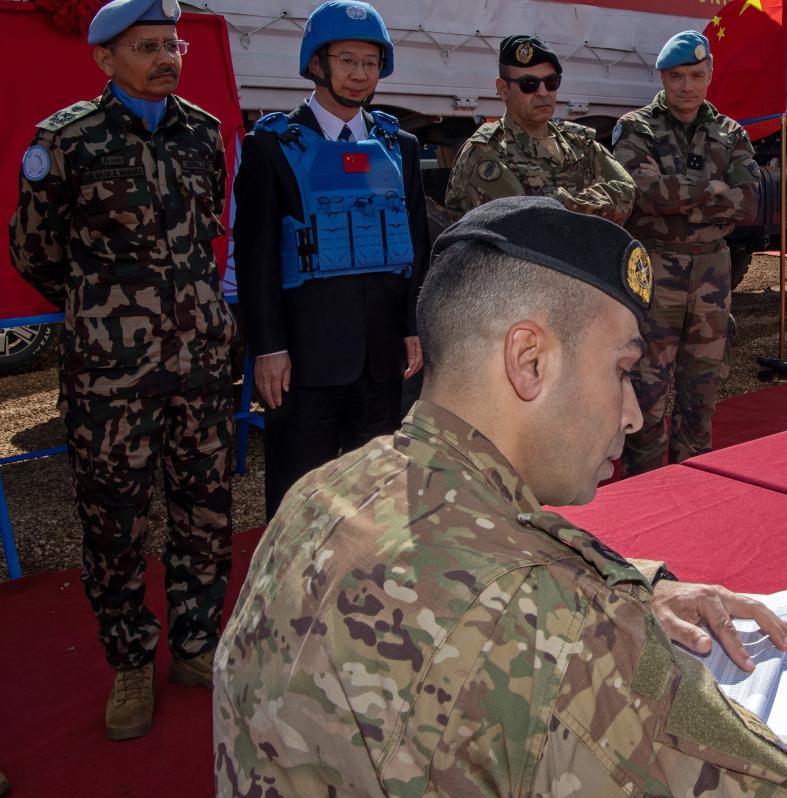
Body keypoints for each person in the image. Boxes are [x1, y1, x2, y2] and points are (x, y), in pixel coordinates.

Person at [213, 196, 787, 796]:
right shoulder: (569, 639)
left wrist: (638, 589)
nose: (634, 415)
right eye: (621, 371)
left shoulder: (320, 496)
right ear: (529, 359)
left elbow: (447, 570)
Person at [8, 0, 234, 740]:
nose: (168, 57)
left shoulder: (203, 133)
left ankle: (197, 647)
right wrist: (103, 310)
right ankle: (132, 661)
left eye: (174, 44)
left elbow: (207, 239)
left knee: (205, 513)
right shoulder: (66, 142)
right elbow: (34, 252)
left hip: (200, 366)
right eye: (147, 46)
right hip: (111, 377)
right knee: (116, 525)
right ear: (105, 58)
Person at [233, 0, 429, 520]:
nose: (360, 73)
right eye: (347, 59)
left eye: (370, 62)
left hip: (381, 357)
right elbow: (255, 259)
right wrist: (268, 348)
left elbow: (416, 240)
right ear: (317, 64)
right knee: (301, 494)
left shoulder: (399, 145)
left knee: (378, 489)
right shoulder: (271, 146)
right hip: (304, 360)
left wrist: (412, 325)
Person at [613, 30, 760, 474]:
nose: (687, 86)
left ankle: (693, 490)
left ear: (710, 74)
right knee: (648, 393)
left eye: (696, 75)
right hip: (657, 268)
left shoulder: (730, 132)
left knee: (702, 392)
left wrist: (682, 202)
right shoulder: (637, 128)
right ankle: (644, 492)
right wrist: (712, 191)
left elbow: (750, 201)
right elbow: (644, 193)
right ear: (662, 77)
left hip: (713, 272)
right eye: (677, 76)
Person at [444, 35, 635, 223]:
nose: (543, 92)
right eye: (529, 84)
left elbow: (627, 191)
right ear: (503, 89)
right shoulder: (485, 152)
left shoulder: (580, 143)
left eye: (551, 83)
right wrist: (597, 207)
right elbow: (528, 221)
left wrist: (561, 203)